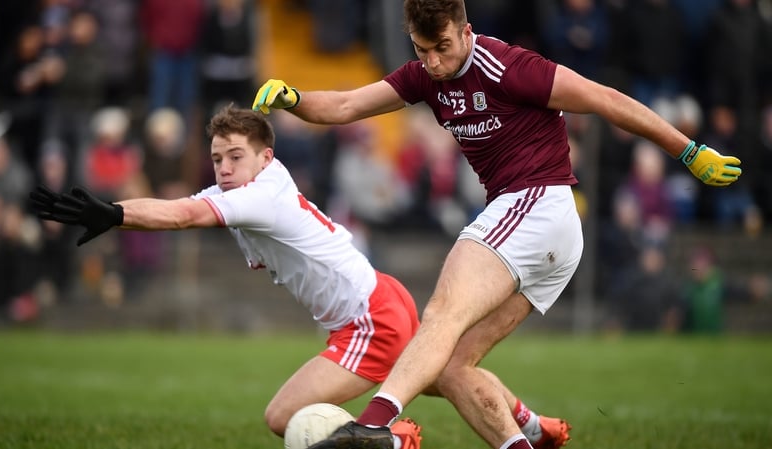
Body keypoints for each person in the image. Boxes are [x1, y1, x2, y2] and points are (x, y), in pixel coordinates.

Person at [250, 1, 743, 449]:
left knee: (442, 311)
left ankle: (374, 427)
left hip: (538, 202)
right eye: (423, 51)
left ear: (466, 32)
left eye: (443, 47)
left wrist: (688, 151)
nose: (434, 62)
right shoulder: (423, 75)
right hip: (544, 232)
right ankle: (526, 432)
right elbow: (344, 106)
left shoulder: (509, 66)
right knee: (451, 366)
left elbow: (606, 99)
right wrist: (294, 98)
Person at [29, 106, 565, 449]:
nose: (223, 167)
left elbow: (184, 216)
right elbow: (186, 206)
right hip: (378, 297)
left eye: (235, 156)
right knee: (447, 374)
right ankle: (530, 424)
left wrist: (113, 214)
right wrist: (121, 209)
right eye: (217, 158)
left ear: (266, 158)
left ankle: (390, 442)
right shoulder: (243, 188)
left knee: (285, 417)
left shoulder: (259, 194)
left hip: (366, 321)